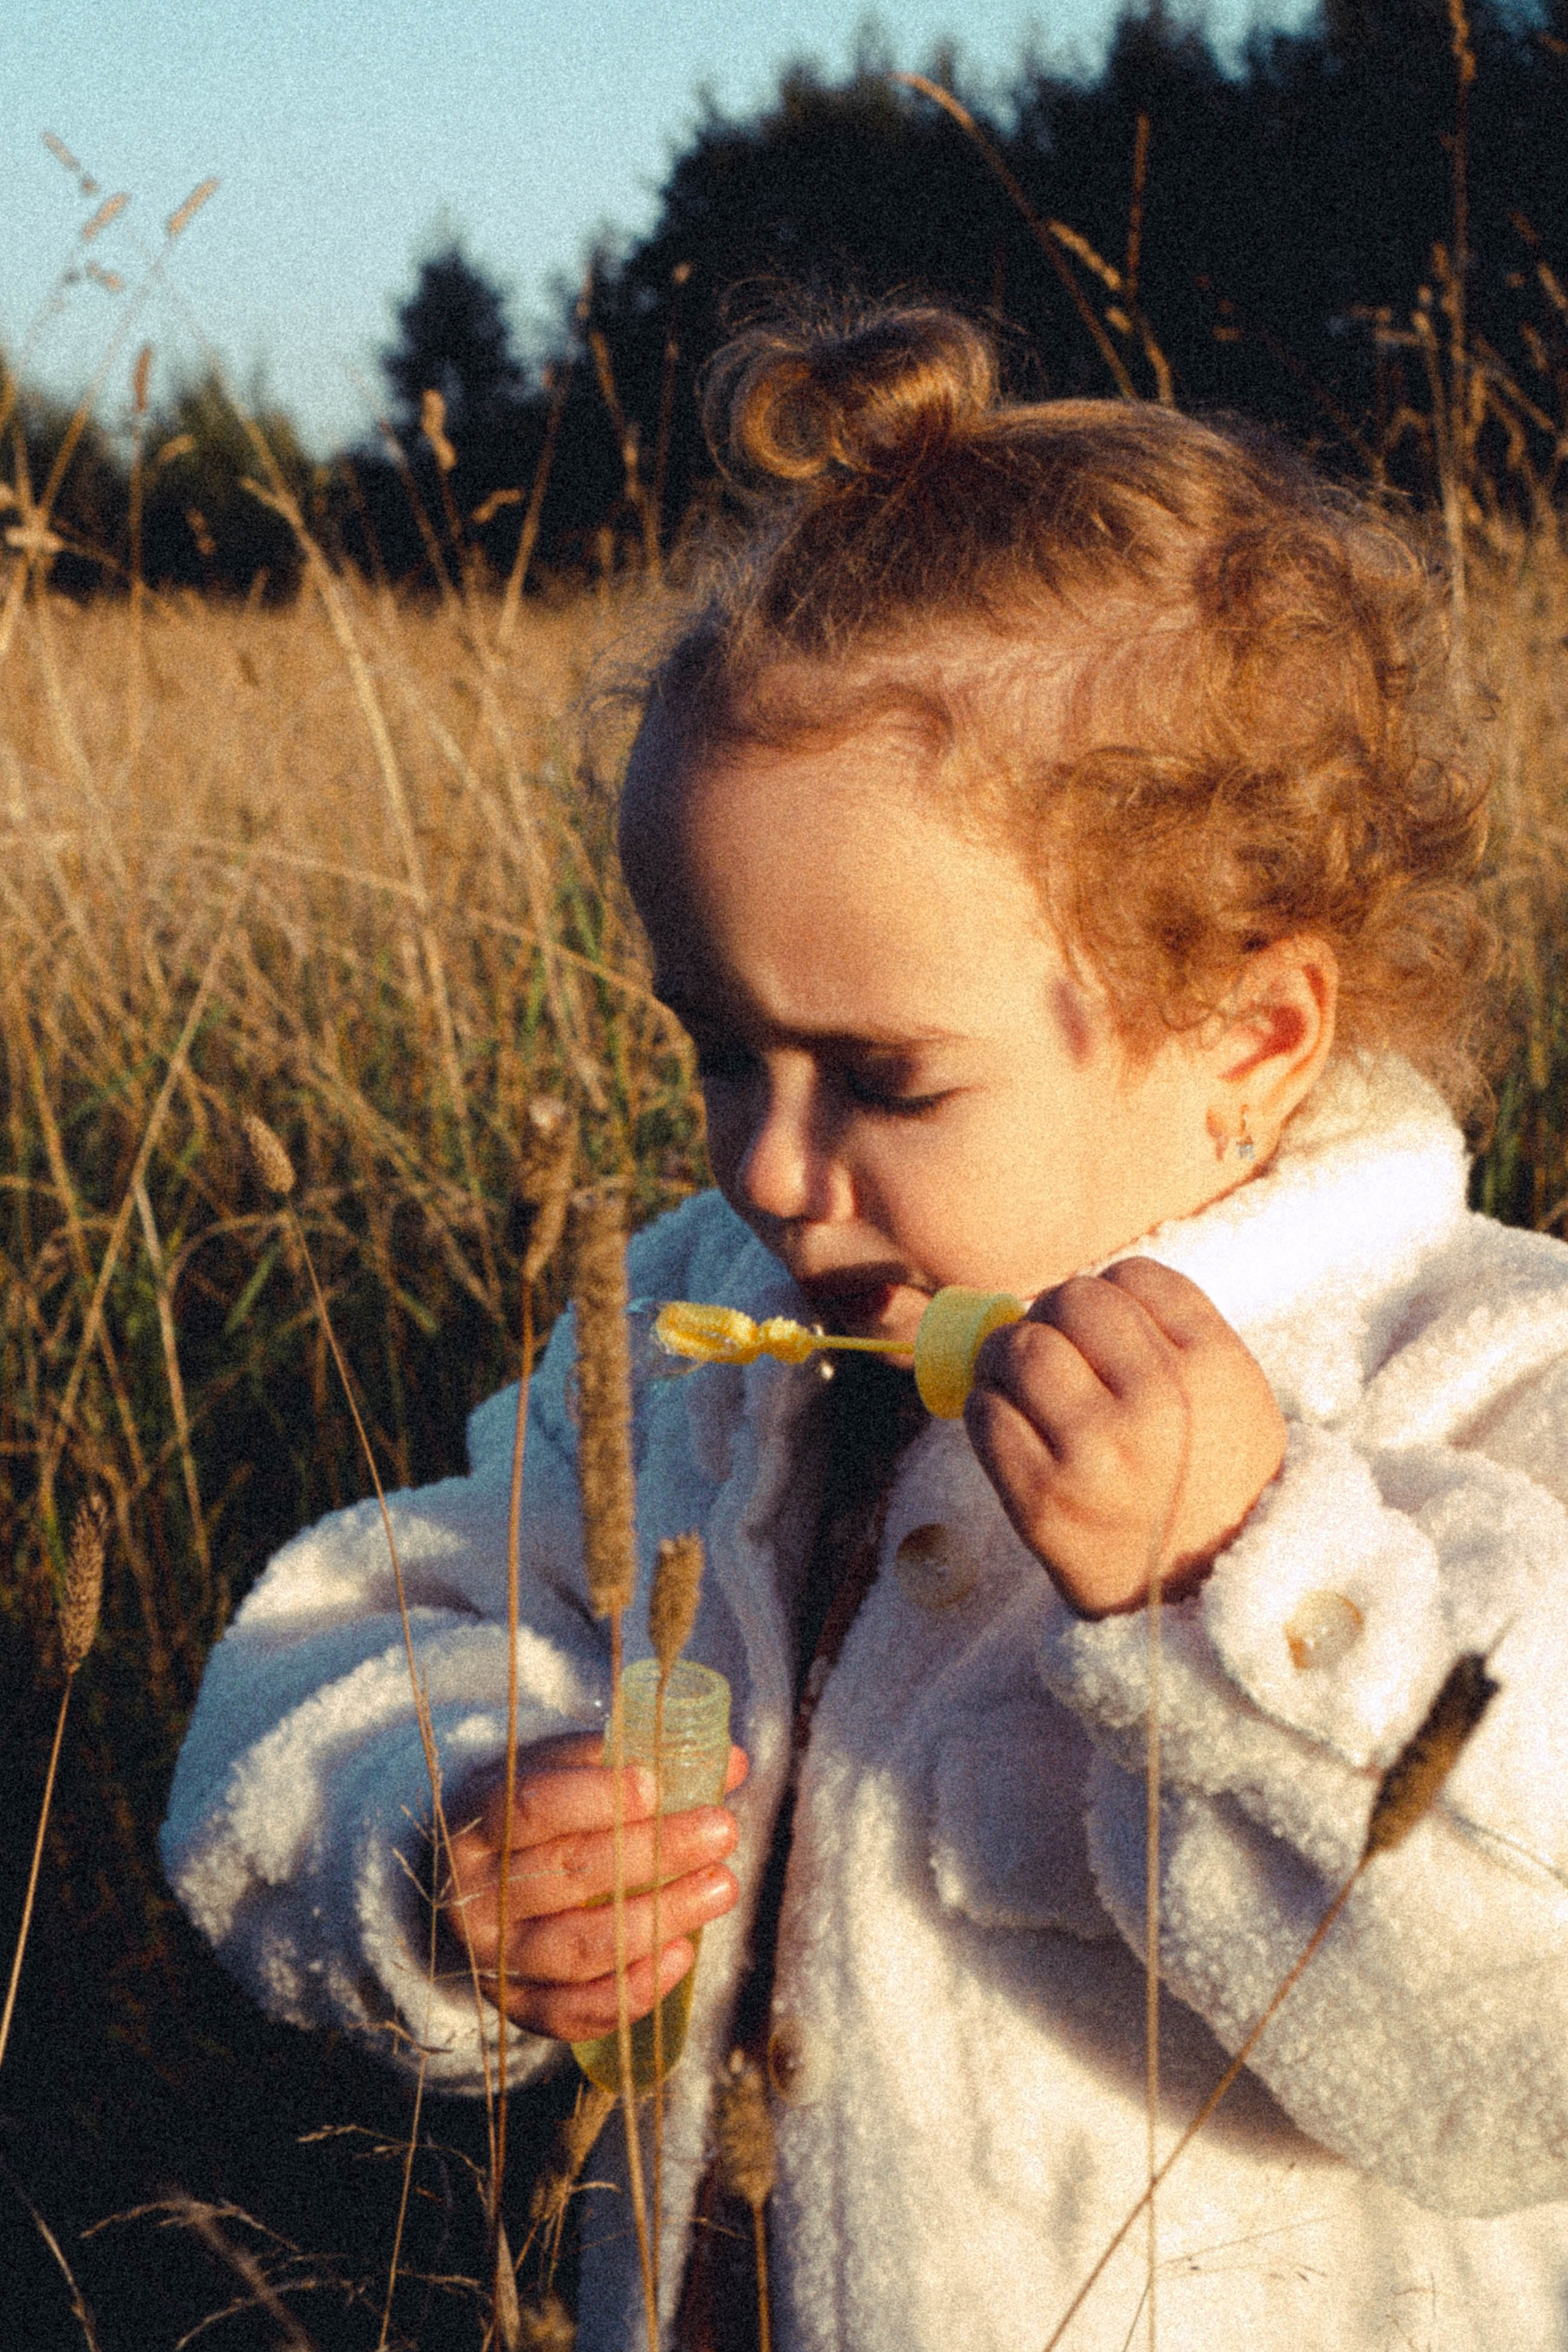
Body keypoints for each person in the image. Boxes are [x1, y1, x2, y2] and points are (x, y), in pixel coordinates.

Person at [163, 307, 1568, 2351]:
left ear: (1246, 1037)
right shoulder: (689, 1339)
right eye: (723, 1054)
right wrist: (453, 1826)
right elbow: (340, 1646)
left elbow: (1520, 2063)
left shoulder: (1478, 1381)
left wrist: (1240, 1588)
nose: (771, 1167)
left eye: (884, 1079)